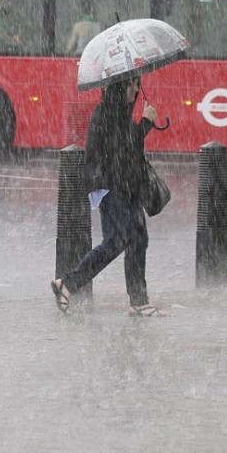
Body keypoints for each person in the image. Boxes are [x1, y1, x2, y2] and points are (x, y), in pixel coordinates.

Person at [51, 76, 166, 317]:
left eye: (137, 83)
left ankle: (72, 285)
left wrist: (141, 122)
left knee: (127, 240)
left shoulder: (120, 111)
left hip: (126, 184)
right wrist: (145, 123)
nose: (136, 88)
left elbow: (127, 149)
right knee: (126, 240)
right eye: (131, 83)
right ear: (118, 86)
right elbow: (123, 150)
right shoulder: (106, 113)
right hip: (112, 186)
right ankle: (135, 301)